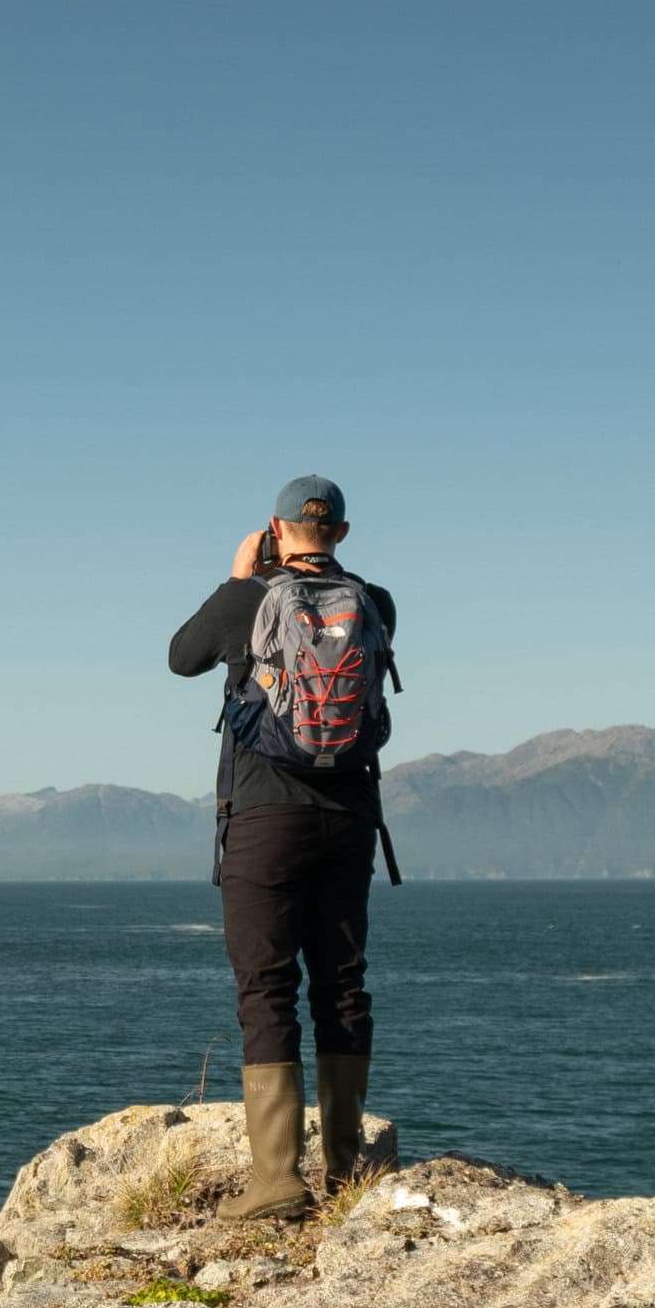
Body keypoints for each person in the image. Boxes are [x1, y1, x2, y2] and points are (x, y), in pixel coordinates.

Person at [167, 473, 397, 1221]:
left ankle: (275, 1181)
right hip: (350, 817)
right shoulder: (375, 601)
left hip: (265, 816)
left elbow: (182, 655)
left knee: (266, 988)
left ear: (275, 528)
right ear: (343, 533)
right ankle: (344, 1167)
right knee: (342, 980)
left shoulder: (247, 600)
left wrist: (240, 578)